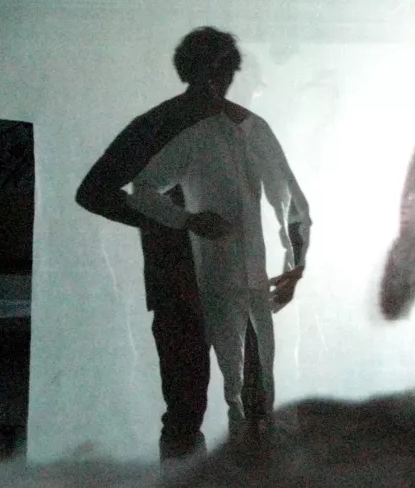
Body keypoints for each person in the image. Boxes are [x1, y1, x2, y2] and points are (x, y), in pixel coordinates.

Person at [76, 26, 311, 458]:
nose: (226, 82)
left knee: (214, 410)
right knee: (215, 410)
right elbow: (93, 192)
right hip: (194, 285)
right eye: (225, 72)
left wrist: (169, 223)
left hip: (208, 281)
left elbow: (95, 192)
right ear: (218, 72)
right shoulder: (174, 126)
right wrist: (177, 223)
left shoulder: (170, 125)